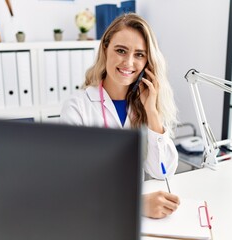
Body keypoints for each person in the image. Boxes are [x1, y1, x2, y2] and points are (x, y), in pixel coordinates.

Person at [60, 13, 180, 219]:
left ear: (148, 63)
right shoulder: (78, 107)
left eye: (140, 55)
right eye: (121, 50)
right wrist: (136, 205)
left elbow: (163, 171)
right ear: (105, 49)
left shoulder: (144, 106)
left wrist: (151, 111)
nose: (129, 63)